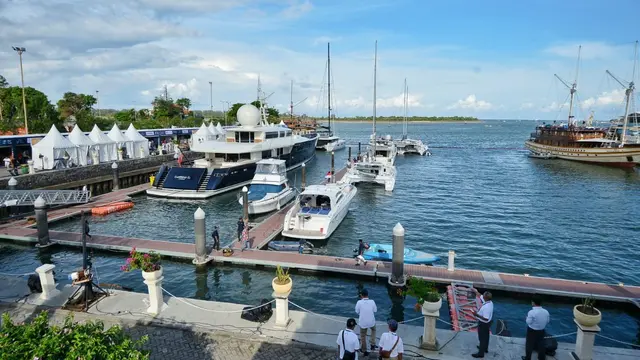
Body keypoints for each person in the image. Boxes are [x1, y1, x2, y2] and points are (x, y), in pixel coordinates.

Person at [523, 295, 550, 360]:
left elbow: (528, 322)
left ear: (533, 302)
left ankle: (528, 358)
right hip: (542, 330)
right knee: (541, 344)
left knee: (529, 344)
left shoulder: (531, 312)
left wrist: (526, 318)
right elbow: (548, 321)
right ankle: (541, 358)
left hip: (532, 331)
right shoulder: (546, 311)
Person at [471, 288, 494, 358]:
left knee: (482, 338)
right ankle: (485, 348)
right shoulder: (490, 302)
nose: (482, 296)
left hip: (483, 324)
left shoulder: (487, 307)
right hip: (488, 323)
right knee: (486, 336)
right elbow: (480, 295)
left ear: (485, 298)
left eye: (483, 295)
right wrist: (476, 291)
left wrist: (476, 314)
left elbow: (485, 318)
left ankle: (481, 353)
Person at [355, 289, 377, 356]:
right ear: (368, 295)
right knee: (373, 329)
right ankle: (372, 344)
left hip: (363, 323)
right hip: (371, 322)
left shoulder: (359, 302)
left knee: (363, 336)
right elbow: (375, 310)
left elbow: (357, 312)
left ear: (361, 295)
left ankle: (364, 350)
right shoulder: (372, 301)